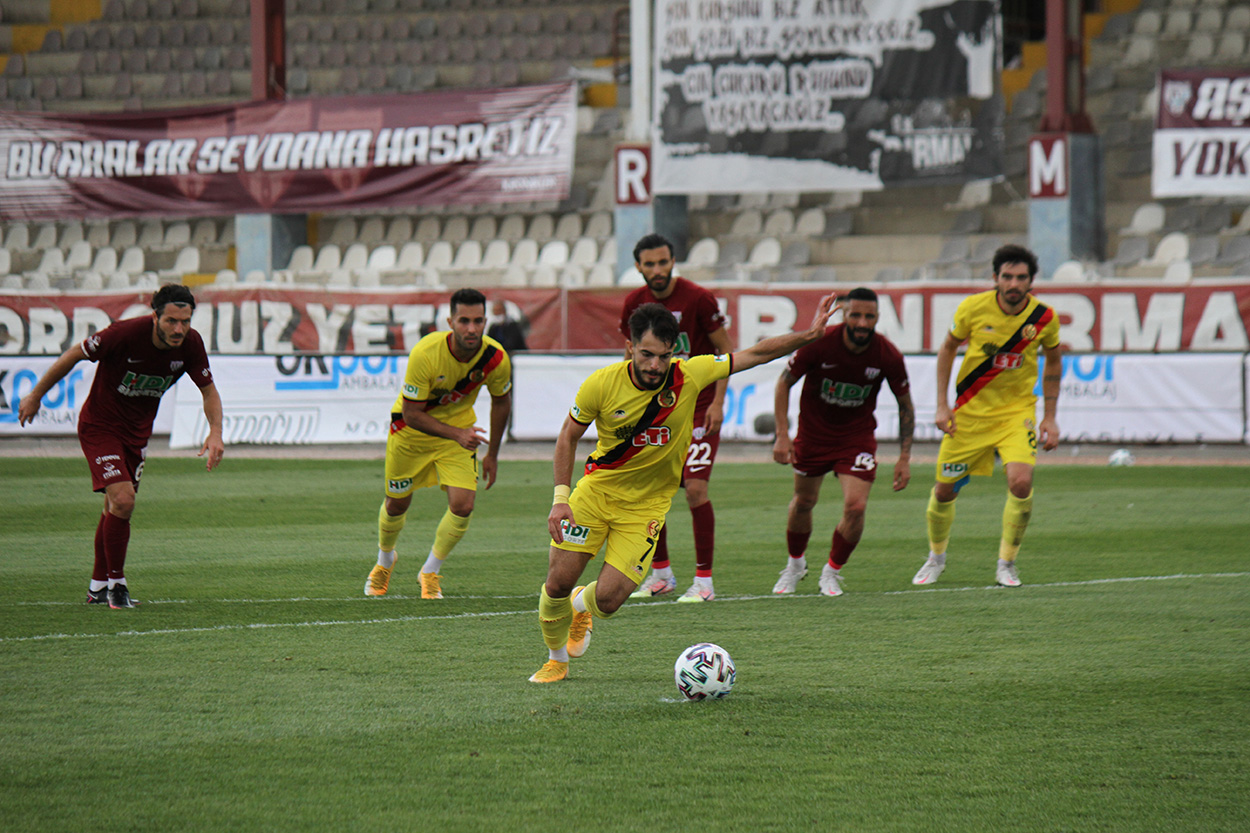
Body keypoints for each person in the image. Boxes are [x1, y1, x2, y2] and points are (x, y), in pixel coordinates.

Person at [529, 294, 837, 683]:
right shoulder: (601, 384)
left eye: (662, 356)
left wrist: (808, 335)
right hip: (595, 494)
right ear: (630, 347)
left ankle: (582, 606)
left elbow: (755, 354)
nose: (654, 365)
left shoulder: (690, 374)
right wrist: (560, 498)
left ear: (674, 352)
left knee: (607, 601)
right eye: (645, 354)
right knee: (556, 583)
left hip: (645, 508)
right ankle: (557, 660)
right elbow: (567, 437)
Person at [17, 284, 225, 609]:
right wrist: (35, 395)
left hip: (137, 435)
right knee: (124, 501)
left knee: (114, 509)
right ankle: (117, 585)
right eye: (171, 321)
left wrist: (215, 432)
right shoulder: (123, 334)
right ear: (155, 316)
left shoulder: (191, 343)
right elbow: (75, 354)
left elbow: (208, 390)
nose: (179, 329)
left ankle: (98, 587)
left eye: (185, 321)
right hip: (100, 426)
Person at [912, 244, 1062, 588]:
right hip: (970, 414)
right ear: (995, 278)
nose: (1013, 284)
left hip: (1016, 413)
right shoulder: (972, 308)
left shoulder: (1044, 318)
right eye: (1006, 277)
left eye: (1020, 278)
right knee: (944, 491)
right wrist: (942, 404)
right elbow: (949, 348)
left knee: (1021, 483)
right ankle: (936, 557)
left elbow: (1054, 361)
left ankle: (1006, 564)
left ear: (1031, 282)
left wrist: (1049, 417)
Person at [365, 288, 512, 600]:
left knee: (464, 505)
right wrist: (458, 435)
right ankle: (385, 559)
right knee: (396, 504)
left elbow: (502, 402)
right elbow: (412, 413)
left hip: (458, 434)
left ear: (486, 321)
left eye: (477, 321)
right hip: (410, 433)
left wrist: (493, 455)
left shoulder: (496, 358)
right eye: (463, 321)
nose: (471, 328)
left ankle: (430, 571)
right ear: (450, 321)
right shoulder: (426, 352)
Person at [771, 287, 915, 596]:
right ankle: (795, 565)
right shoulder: (819, 342)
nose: (863, 323)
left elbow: (905, 405)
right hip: (812, 436)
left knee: (856, 506)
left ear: (877, 317)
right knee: (804, 502)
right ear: (845, 315)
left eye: (870, 316)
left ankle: (832, 571)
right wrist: (782, 434)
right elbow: (783, 384)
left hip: (856, 438)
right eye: (856, 315)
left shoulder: (887, 354)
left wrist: (904, 457)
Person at [619, 233, 733, 603]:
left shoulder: (699, 298)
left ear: (673, 261)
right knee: (654, 489)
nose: (657, 270)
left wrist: (717, 403)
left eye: (663, 262)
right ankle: (662, 574)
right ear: (638, 267)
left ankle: (704, 582)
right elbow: (629, 357)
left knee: (696, 488)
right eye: (649, 264)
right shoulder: (634, 304)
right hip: (657, 410)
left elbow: (725, 351)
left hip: (698, 406)